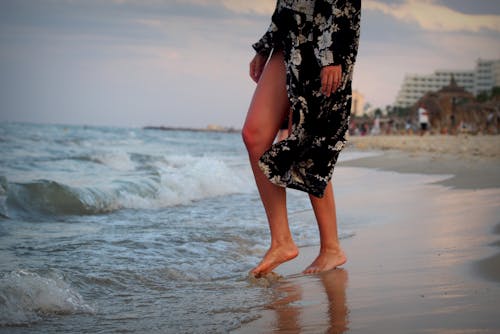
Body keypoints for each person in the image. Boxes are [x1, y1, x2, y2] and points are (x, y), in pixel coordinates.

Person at [242, 0, 361, 277]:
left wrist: (334, 53)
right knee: (254, 135)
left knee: (309, 142)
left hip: (324, 39)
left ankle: (331, 248)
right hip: (288, 38)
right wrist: (265, 46)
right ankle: (281, 241)